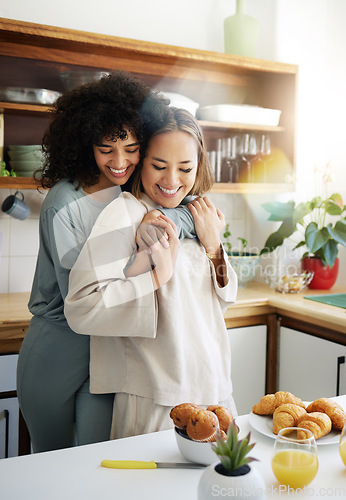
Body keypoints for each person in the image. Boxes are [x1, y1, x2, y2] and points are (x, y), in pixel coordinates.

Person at [16, 72, 195, 453]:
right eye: (106, 148)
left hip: (108, 350)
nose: (120, 161)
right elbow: (87, 296)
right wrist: (150, 264)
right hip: (59, 347)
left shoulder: (130, 188)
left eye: (132, 148)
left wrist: (162, 222)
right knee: (51, 462)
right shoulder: (64, 204)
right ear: (85, 142)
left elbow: (182, 211)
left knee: (99, 459)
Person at [64, 107, 238, 440]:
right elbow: (82, 308)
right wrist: (156, 277)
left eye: (185, 168)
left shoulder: (196, 213)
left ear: (199, 167)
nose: (172, 181)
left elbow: (219, 302)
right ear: (141, 162)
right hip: (157, 400)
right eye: (159, 166)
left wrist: (214, 246)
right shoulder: (124, 214)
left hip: (214, 388)